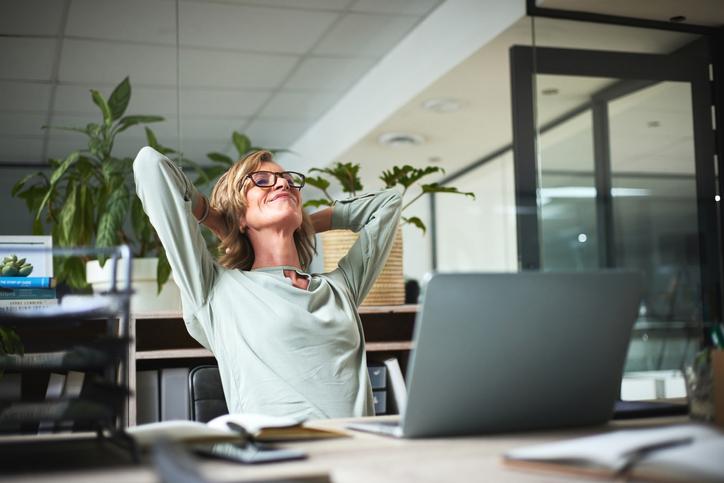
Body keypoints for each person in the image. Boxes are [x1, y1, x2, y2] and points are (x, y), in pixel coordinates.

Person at [133, 146, 401, 420]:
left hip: (357, 452)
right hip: (278, 455)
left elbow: (388, 203)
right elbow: (150, 166)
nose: (283, 183)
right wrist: (217, 219)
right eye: (262, 180)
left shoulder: (340, 288)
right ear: (239, 215)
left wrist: (305, 223)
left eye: (287, 180)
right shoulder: (215, 289)